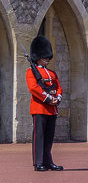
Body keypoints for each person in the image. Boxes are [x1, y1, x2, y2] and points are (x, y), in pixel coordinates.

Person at [26, 35, 62, 172]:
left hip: (51, 109)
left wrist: (57, 98)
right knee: (39, 137)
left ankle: (48, 161)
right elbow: (34, 88)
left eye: (48, 57)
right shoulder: (31, 72)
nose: (47, 59)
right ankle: (38, 162)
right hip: (40, 108)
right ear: (38, 56)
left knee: (48, 137)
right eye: (44, 56)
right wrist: (48, 98)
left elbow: (58, 87)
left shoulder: (51, 73)